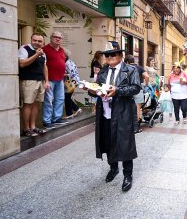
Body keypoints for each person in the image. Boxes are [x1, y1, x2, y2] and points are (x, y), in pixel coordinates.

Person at [85, 41, 141, 192]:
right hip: (105, 113)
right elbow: (98, 88)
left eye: (113, 54)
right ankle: (113, 168)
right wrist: (90, 89)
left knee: (125, 145)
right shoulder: (103, 71)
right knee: (108, 141)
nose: (109, 57)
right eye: (107, 55)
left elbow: (135, 88)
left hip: (123, 113)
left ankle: (127, 175)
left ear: (121, 55)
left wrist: (118, 90)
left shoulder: (130, 70)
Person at [18, 33, 49, 137]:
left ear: (43, 42)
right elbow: (22, 63)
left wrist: (47, 81)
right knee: (27, 104)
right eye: (35, 40)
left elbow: (45, 67)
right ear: (31, 40)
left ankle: (33, 127)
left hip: (40, 81)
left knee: (36, 104)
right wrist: (36, 55)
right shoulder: (24, 48)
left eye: (40, 41)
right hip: (28, 81)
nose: (37, 43)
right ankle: (26, 129)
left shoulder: (43, 52)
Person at [42, 31, 68, 129]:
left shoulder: (61, 50)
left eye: (59, 38)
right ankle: (47, 121)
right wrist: (46, 80)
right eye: (55, 37)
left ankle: (56, 118)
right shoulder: (45, 49)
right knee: (48, 100)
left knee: (60, 99)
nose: (57, 39)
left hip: (60, 79)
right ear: (51, 38)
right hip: (50, 80)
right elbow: (43, 65)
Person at [124, 54, 149, 133]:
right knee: (138, 107)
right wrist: (146, 84)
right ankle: (136, 127)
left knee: (126, 106)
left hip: (127, 89)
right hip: (138, 88)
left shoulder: (125, 68)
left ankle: (127, 125)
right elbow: (146, 76)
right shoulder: (139, 68)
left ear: (127, 62)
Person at [63, 49, 82, 119]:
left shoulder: (67, 63)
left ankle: (69, 113)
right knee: (67, 97)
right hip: (73, 82)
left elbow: (71, 74)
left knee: (67, 97)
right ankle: (76, 108)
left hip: (71, 82)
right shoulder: (69, 62)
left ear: (65, 56)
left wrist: (62, 74)